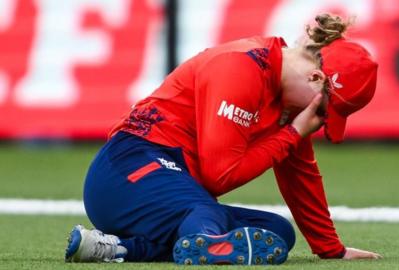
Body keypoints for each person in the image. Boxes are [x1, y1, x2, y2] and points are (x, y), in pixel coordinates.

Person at [65, 13, 381, 265]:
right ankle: (208, 249)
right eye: (325, 110)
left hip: (157, 184)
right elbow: (220, 175)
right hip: (127, 174)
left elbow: (300, 174)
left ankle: (116, 249)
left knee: (277, 231)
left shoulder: (286, 98)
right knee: (208, 214)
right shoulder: (242, 69)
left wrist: (331, 249)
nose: (319, 121)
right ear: (315, 79)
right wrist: (294, 133)